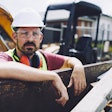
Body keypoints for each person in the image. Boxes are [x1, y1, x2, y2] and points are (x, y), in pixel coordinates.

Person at [0, 8, 86, 107]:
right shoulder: (6, 57)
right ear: (15, 37)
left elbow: (70, 60)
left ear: (40, 38)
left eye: (35, 34)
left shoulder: (43, 57)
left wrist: (78, 66)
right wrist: (52, 76)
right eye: (24, 33)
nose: (30, 39)